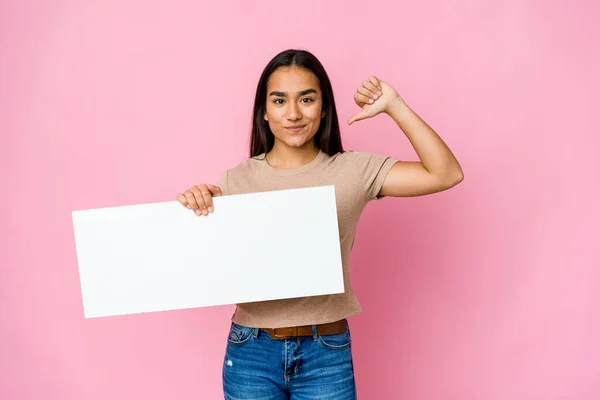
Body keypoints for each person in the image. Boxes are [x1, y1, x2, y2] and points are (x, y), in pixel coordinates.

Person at [176, 49, 463, 399]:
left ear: (324, 107)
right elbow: (212, 260)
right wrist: (197, 203)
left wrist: (395, 106)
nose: (293, 113)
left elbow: (445, 173)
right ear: (264, 112)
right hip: (251, 349)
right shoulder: (235, 180)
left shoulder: (353, 171)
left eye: (307, 99)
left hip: (324, 351)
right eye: (279, 101)